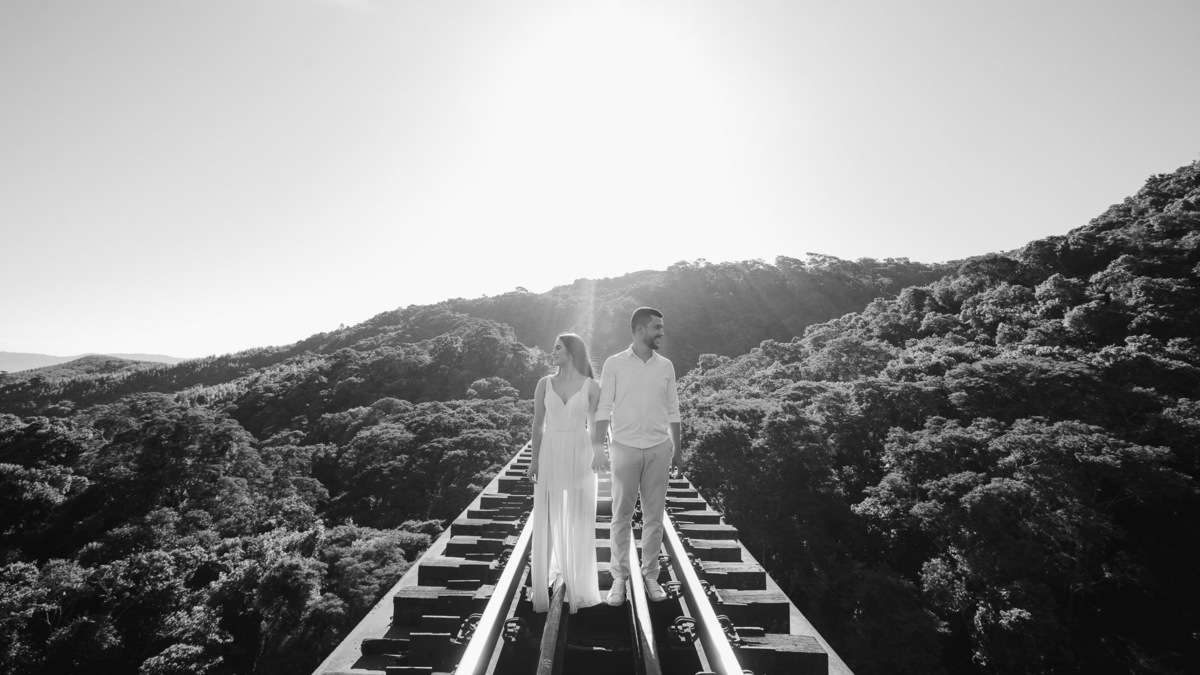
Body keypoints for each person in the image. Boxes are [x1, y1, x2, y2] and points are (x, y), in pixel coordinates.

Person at [594, 307, 681, 606]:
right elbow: (603, 407)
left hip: (659, 449)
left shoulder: (666, 366)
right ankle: (619, 578)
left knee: (655, 517)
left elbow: (673, 410)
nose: (661, 332)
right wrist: (597, 447)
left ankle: (651, 576)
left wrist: (677, 449)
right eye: (657, 327)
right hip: (624, 447)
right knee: (621, 515)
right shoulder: (614, 363)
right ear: (640, 330)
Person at [525, 333, 607, 613]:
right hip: (550, 449)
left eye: (557, 348)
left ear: (571, 352)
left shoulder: (591, 386)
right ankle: (543, 580)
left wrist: (598, 452)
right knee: (547, 515)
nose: (553, 352)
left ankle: (577, 580)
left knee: (577, 516)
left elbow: (597, 422)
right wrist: (534, 460)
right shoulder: (544, 383)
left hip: (579, 449)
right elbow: (538, 425)